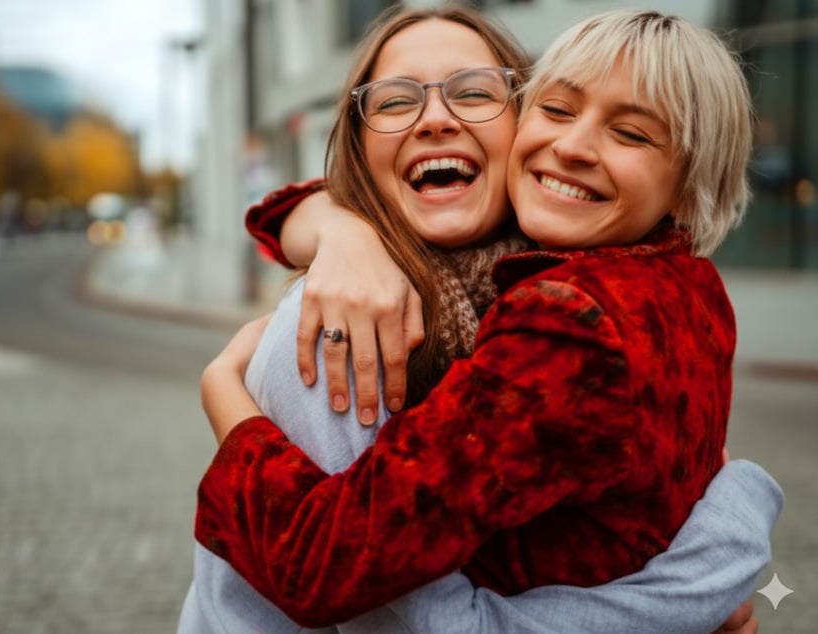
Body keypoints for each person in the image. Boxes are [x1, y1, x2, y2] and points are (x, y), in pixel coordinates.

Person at [189, 6, 781, 632]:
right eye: (394, 103)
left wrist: (709, 576)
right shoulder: (341, 322)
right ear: (360, 152)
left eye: (474, 93)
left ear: (513, 119)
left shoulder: (565, 305)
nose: (437, 118)